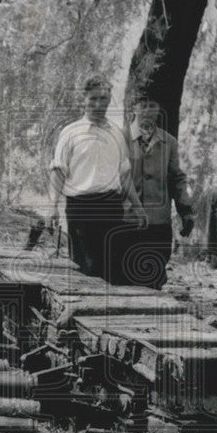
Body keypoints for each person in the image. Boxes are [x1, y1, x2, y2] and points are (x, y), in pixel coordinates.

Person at [49, 76, 147, 282]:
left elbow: (125, 174)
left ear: (110, 100)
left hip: (111, 206)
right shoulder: (70, 133)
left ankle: (110, 312)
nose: (98, 104)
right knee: (85, 270)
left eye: (103, 99)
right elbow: (58, 172)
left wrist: (138, 207)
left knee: (112, 270)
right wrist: (52, 208)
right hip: (81, 208)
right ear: (83, 99)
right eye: (93, 99)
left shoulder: (117, 135)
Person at [117, 94, 194, 289]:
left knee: (154, 276)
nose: (148, 111)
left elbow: (177, 178)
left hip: (158, 224)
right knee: (125, 276)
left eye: (153, 105)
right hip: (127, 221)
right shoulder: (120, 139)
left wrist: (185, 211)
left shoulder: (169, 142)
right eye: (143, 105)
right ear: (133, 108)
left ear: (158, 110)